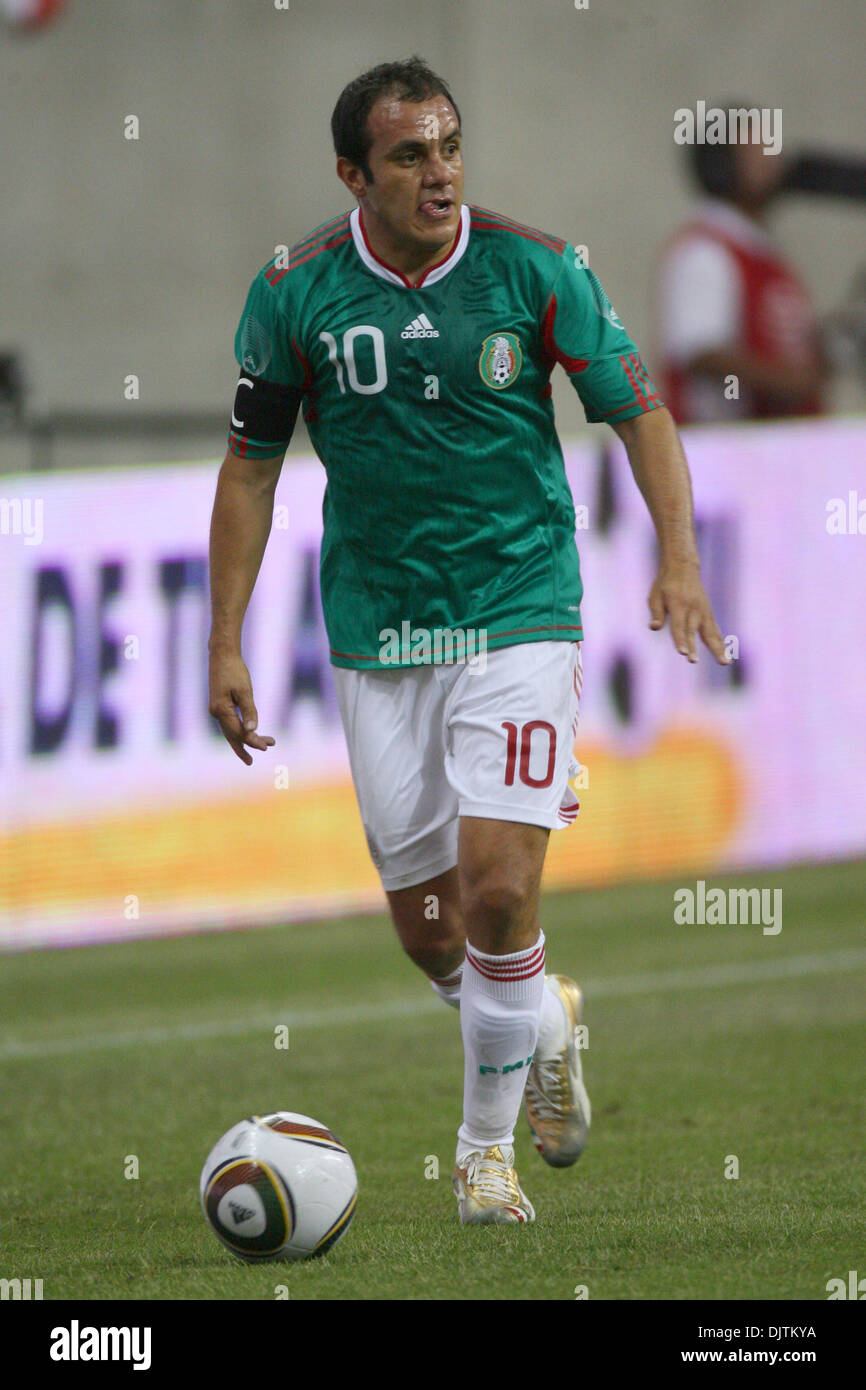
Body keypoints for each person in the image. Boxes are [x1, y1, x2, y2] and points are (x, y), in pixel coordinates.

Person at [208, 57, 729, 1226]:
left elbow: (637, 411)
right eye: (408, 155)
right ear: (354, 174)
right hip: (376, 629)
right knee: (433, 932)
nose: (438, 172)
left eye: (447, 146)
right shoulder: (295, 291)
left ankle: (478, 1158)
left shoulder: (534, 269)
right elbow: (248, 470)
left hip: (516, 608)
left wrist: (677, 557)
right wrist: (224, 641)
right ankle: (538, 1018)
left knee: (499, 892)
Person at [656, 109, 828, 425]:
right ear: (723, 165)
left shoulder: (758, 251)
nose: (774, 160)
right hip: (729, 454)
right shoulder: (706, 249)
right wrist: (792, 382)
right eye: (757, 150)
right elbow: (701, 352)